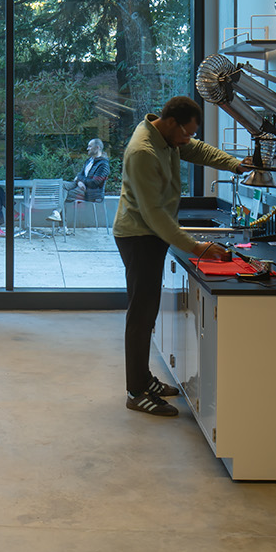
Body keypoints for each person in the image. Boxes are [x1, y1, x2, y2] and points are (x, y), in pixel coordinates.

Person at [114, 97, 246, 417]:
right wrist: (196, 247)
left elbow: (198, 150)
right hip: (139, 235)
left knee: (148, 310)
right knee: (141, 314)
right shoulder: (143, 152)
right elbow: (155, 214)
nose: (188, 139)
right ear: (172, 122)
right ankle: (135, 392)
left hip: (151, 234)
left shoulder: (168, 138)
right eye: (186, 133)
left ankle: (144, 379)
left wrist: (237, 165)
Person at [50, 138, 111, 229]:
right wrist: (79, 181)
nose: (87, 148)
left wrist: (80, 180)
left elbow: (95, 183)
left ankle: (61, 224)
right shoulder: (89, 161)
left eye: (90, 146)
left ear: (97, 147)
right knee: (61, 185)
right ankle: (57, 213)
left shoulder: (103, 165)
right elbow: (80, 175)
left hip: (91, 192)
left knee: (61, 195)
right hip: (81, 186)